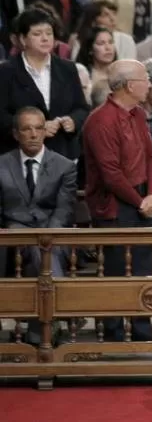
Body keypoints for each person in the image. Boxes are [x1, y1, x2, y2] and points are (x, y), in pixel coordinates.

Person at [81, 60, 152, 342]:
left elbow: (151, 156)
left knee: (143, 272)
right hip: (114, 207)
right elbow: (111, 175)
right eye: (145, 78)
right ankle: (113, 338)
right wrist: (140, 201)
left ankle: (142, 333)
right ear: (129, 85)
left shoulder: (138, 114)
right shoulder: (100, 121)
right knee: (115, 275)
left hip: (141, 201)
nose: (149, 84)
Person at [0, 106, 77, 344]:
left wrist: (46, 235)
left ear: (45, 132)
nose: (33, 134)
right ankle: (61, 310)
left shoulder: (64, 166)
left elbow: (64, 210)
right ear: (16, 134)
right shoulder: (1, 164)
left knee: (41, 248)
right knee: (37, 247)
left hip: (53, 233)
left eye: (38, 128)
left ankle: (39, 330)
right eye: (26, 129)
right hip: (12, 233)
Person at [0, 8, 89, 158]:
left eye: (49, 33)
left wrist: (73, 121)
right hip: (18, 155)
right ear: (22, 39)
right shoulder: (6, 71)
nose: (45, 38)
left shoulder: (68, 68)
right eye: (37, 34)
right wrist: (35, 128)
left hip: (61, 153)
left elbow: (81, 108)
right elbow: (1, 115)